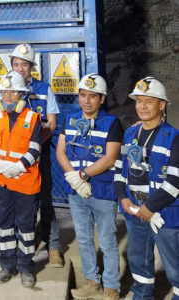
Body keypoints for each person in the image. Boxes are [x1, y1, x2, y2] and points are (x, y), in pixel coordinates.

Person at [56, 74, 123, 300]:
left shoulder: (111, 123)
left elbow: (110, 158)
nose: (86, 101)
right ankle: (92, 282)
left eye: (92, 96)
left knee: (107, 241)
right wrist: (74, 178)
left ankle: (112, 287)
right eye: (83, 96)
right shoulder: (70, 119)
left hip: (102, 192)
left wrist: (82, 175)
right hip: (77, 192)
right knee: (84, 239)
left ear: (101, 99)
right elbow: (60, 152)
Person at [114, 77, 179, 300]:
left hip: (164, 213)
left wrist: (150, 207)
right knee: (139, 262)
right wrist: (123, 198)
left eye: (148, 101)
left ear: (162, 105)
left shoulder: (174, 138)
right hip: (134, 211)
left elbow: (174, 182)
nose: (141, 106)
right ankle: (142, 296)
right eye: (138, 101)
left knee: (175, 267)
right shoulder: (130, 134)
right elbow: (119, 171)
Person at [0, 71, 41, 288]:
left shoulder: (32, 117)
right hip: (0, 180)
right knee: (4, 224)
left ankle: (26, 267)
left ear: (21, 94)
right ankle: (7, 265)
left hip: (24, 180)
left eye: (11, 91)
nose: (7, 96)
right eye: (4, 91)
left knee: (26, 225)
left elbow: (35, 147)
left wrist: (18, 167)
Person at [10, 43, 62, 267]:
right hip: (13, 158)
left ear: (32, 67)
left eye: (24, 65)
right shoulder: (6, 89)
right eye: (16, 64)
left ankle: (53, 246)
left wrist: (33, 147)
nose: (20, 69)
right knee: (20, 202)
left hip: (40, 155)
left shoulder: (43, 89)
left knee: (45, 200)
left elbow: (51, 123)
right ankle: (20, 246)